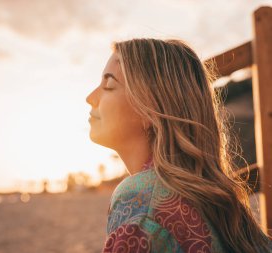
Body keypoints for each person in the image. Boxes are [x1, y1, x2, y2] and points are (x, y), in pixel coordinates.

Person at [86, 38, 272, 253]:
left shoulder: (140, 199)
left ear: (150, 108)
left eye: (109, 85)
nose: (90, 97)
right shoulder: (223, 201)